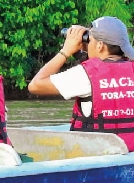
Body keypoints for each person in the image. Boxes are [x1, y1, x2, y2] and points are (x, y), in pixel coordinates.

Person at [28, 16, 134, 150]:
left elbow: (35, 85)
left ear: (100, 45)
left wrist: (65, 51)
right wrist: (87, 49)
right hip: (129, 150)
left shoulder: (87, 74)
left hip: (97, 152)